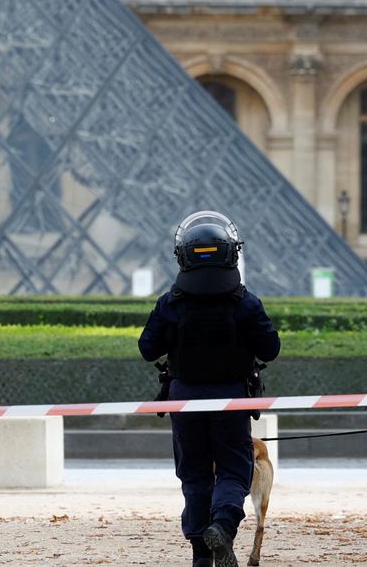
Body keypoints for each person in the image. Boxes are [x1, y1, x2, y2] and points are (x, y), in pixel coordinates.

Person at [140, 211, 281, 567]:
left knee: (195, 475)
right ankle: (222, 525)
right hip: (231, 398)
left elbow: (147, 349)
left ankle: (200, 554)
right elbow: (270, 349)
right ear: (231, 254)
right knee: (234, 470)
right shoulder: (245, 303)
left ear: (182, 256)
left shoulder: (170, 303)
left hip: (184, 398)